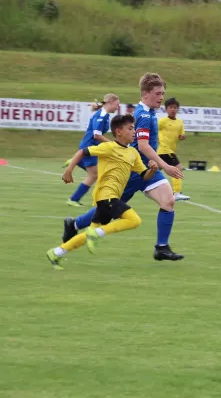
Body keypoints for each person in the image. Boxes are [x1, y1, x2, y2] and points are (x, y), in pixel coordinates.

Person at [61, 73, 185, 261]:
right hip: (131, 172)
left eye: (163, 93)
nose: (161, 97)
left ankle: (161, 247)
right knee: (107, 212)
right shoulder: (143, 115)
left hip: (147, 170)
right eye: (158, 93)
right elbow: (143, 146)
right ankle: (74, 224)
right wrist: (166, 166)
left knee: (168, 201)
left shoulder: (150, 113)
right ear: (145, 94)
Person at [47, 114, 158, 270]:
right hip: (105, 195)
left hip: (112, 198)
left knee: (89, 234)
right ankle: (97, 233)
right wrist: (69, 170)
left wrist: (152, 170)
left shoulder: (133, 153)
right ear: (119, 131)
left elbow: (144, 176)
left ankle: (56, 253)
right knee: (134, 221)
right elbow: (82, 152)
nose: (134, 131)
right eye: (131, 128)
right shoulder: (109, 147)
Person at [64, 94, 120, 207]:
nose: (118, 107)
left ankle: (76, 160)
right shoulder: (102, 115)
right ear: (110, 102)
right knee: (94, 176)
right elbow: (96, 135)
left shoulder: (105, 115)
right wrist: (113, 145)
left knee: (96, 174)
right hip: (89, 147)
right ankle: (73, 199)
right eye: (117, 104)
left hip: (92, 147)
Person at [158, 97, 190, 201]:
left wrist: (182, 137)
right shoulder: (162, 121)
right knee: (178, 168)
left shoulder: (180, 122)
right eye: (170, 107)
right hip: (165, 150)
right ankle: (176, 193)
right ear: (166, 109)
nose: (173, 109)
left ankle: (138, 184)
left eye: (175, 108)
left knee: (153, 170)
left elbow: (182, 134)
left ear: (177, 109)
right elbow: (153, 130)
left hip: (169, 150)